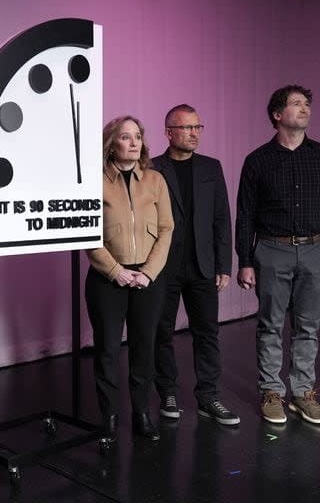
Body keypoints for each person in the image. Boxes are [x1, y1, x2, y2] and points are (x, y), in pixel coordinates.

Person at [236, 84, 320, 425]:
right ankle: (271, 392)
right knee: (270, 324)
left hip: (317, 249)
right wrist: (245, 261)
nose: (305, 109)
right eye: (296, 104)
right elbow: (245, 215)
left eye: (307, 104)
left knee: (308, 326)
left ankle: (302, 393)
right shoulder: (257, 161)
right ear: (277, 115)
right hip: (272, 250)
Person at [85, 116, 174, 442]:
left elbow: (167, 229)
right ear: (112, 143)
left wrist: (148, 273)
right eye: (126, 137)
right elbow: (86, 233)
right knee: (107, 350)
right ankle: (108, 416)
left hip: (148, 280)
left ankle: (142, 413)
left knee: (143, 348)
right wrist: (115, 271)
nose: (134, 142)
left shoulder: (155, 180)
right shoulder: (93, 181)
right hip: (107, 277)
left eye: (138, 136)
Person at [151, 104, 239, 426]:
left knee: (207, 333)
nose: (194, 134)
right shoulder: (152, 168)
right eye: (187, 128)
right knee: (162, 332)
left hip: (203, 266)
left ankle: (208, 397)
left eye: (198, 128)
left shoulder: (211, 168)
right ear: (169, 132)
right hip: (162, 267)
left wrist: (224, 265)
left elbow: (221, 218)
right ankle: (168, 393)